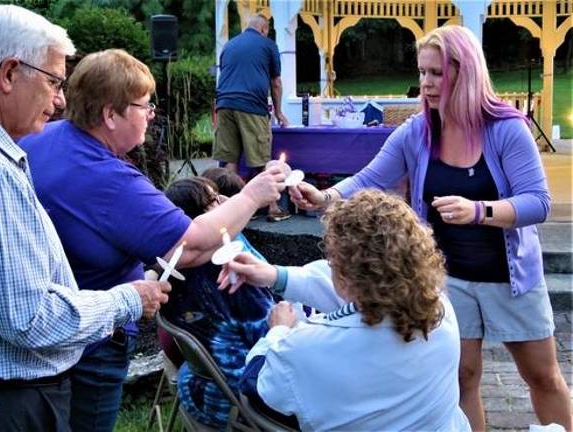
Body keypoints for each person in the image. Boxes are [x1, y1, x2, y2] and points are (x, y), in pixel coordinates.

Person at [290, 25, 571, 431]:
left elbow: (538, 203)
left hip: (510, 279)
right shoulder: (416, 132)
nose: (426, 83)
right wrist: (325, 196)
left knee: (542, 376)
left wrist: (479, 211)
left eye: (437, 73)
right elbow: (371, 177)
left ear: (466, 71)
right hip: (449, 277)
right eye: (422, 72)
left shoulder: (507, 129)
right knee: (463, 378)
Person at [18, 49, 285, 432]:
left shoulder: (43, 138)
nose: (152, 114)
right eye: (144, 105)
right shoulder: (107, 178)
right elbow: (189, 246)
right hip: (91, 344)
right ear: (110, 114)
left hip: (52, 333)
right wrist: (253, 195)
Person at [0, 5, 171, 431]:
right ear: (8, 74)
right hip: (0, 407)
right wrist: (130, 299)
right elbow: (28, 319)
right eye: (53, 82)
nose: (60, 100)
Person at [219, 189, 470, 431]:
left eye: (332, 261)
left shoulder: (304, 347)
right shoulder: (439, 308)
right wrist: (276, 276)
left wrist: (278, 332)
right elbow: (368, 289)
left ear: (344, 275)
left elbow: (258, 385)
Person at [161, 176, 274, 428]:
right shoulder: (233, 281)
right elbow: (274, 342)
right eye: (213, 201)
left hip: (195, 390)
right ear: (201, 221)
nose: (224, 202)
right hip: (244, 403)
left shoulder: (167, 278)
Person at [213, 13, 291, 222]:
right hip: (251, 107)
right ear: (264, 29)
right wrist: (278, 111)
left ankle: (231, 210)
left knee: (229, 160)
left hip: (224, 105)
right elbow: (275, 83)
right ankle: (273, 209)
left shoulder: (229, 46)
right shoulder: (267, 45)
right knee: (260, 159)